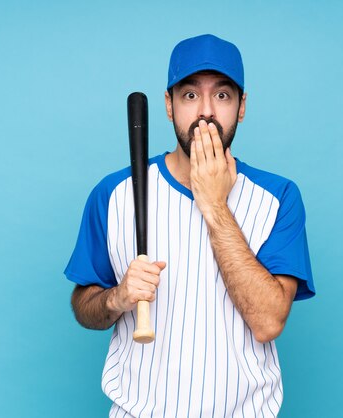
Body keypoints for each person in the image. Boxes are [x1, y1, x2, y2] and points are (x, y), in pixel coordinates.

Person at [64, 34, 315, 418]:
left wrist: (214, 204)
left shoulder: (279, 197)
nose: (207, 112)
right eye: (190, 95)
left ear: (242, 107)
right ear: (168, 105)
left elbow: (267, 322)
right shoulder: (114, 193)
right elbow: (84, 305)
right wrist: (118, 297)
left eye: (223, 95)